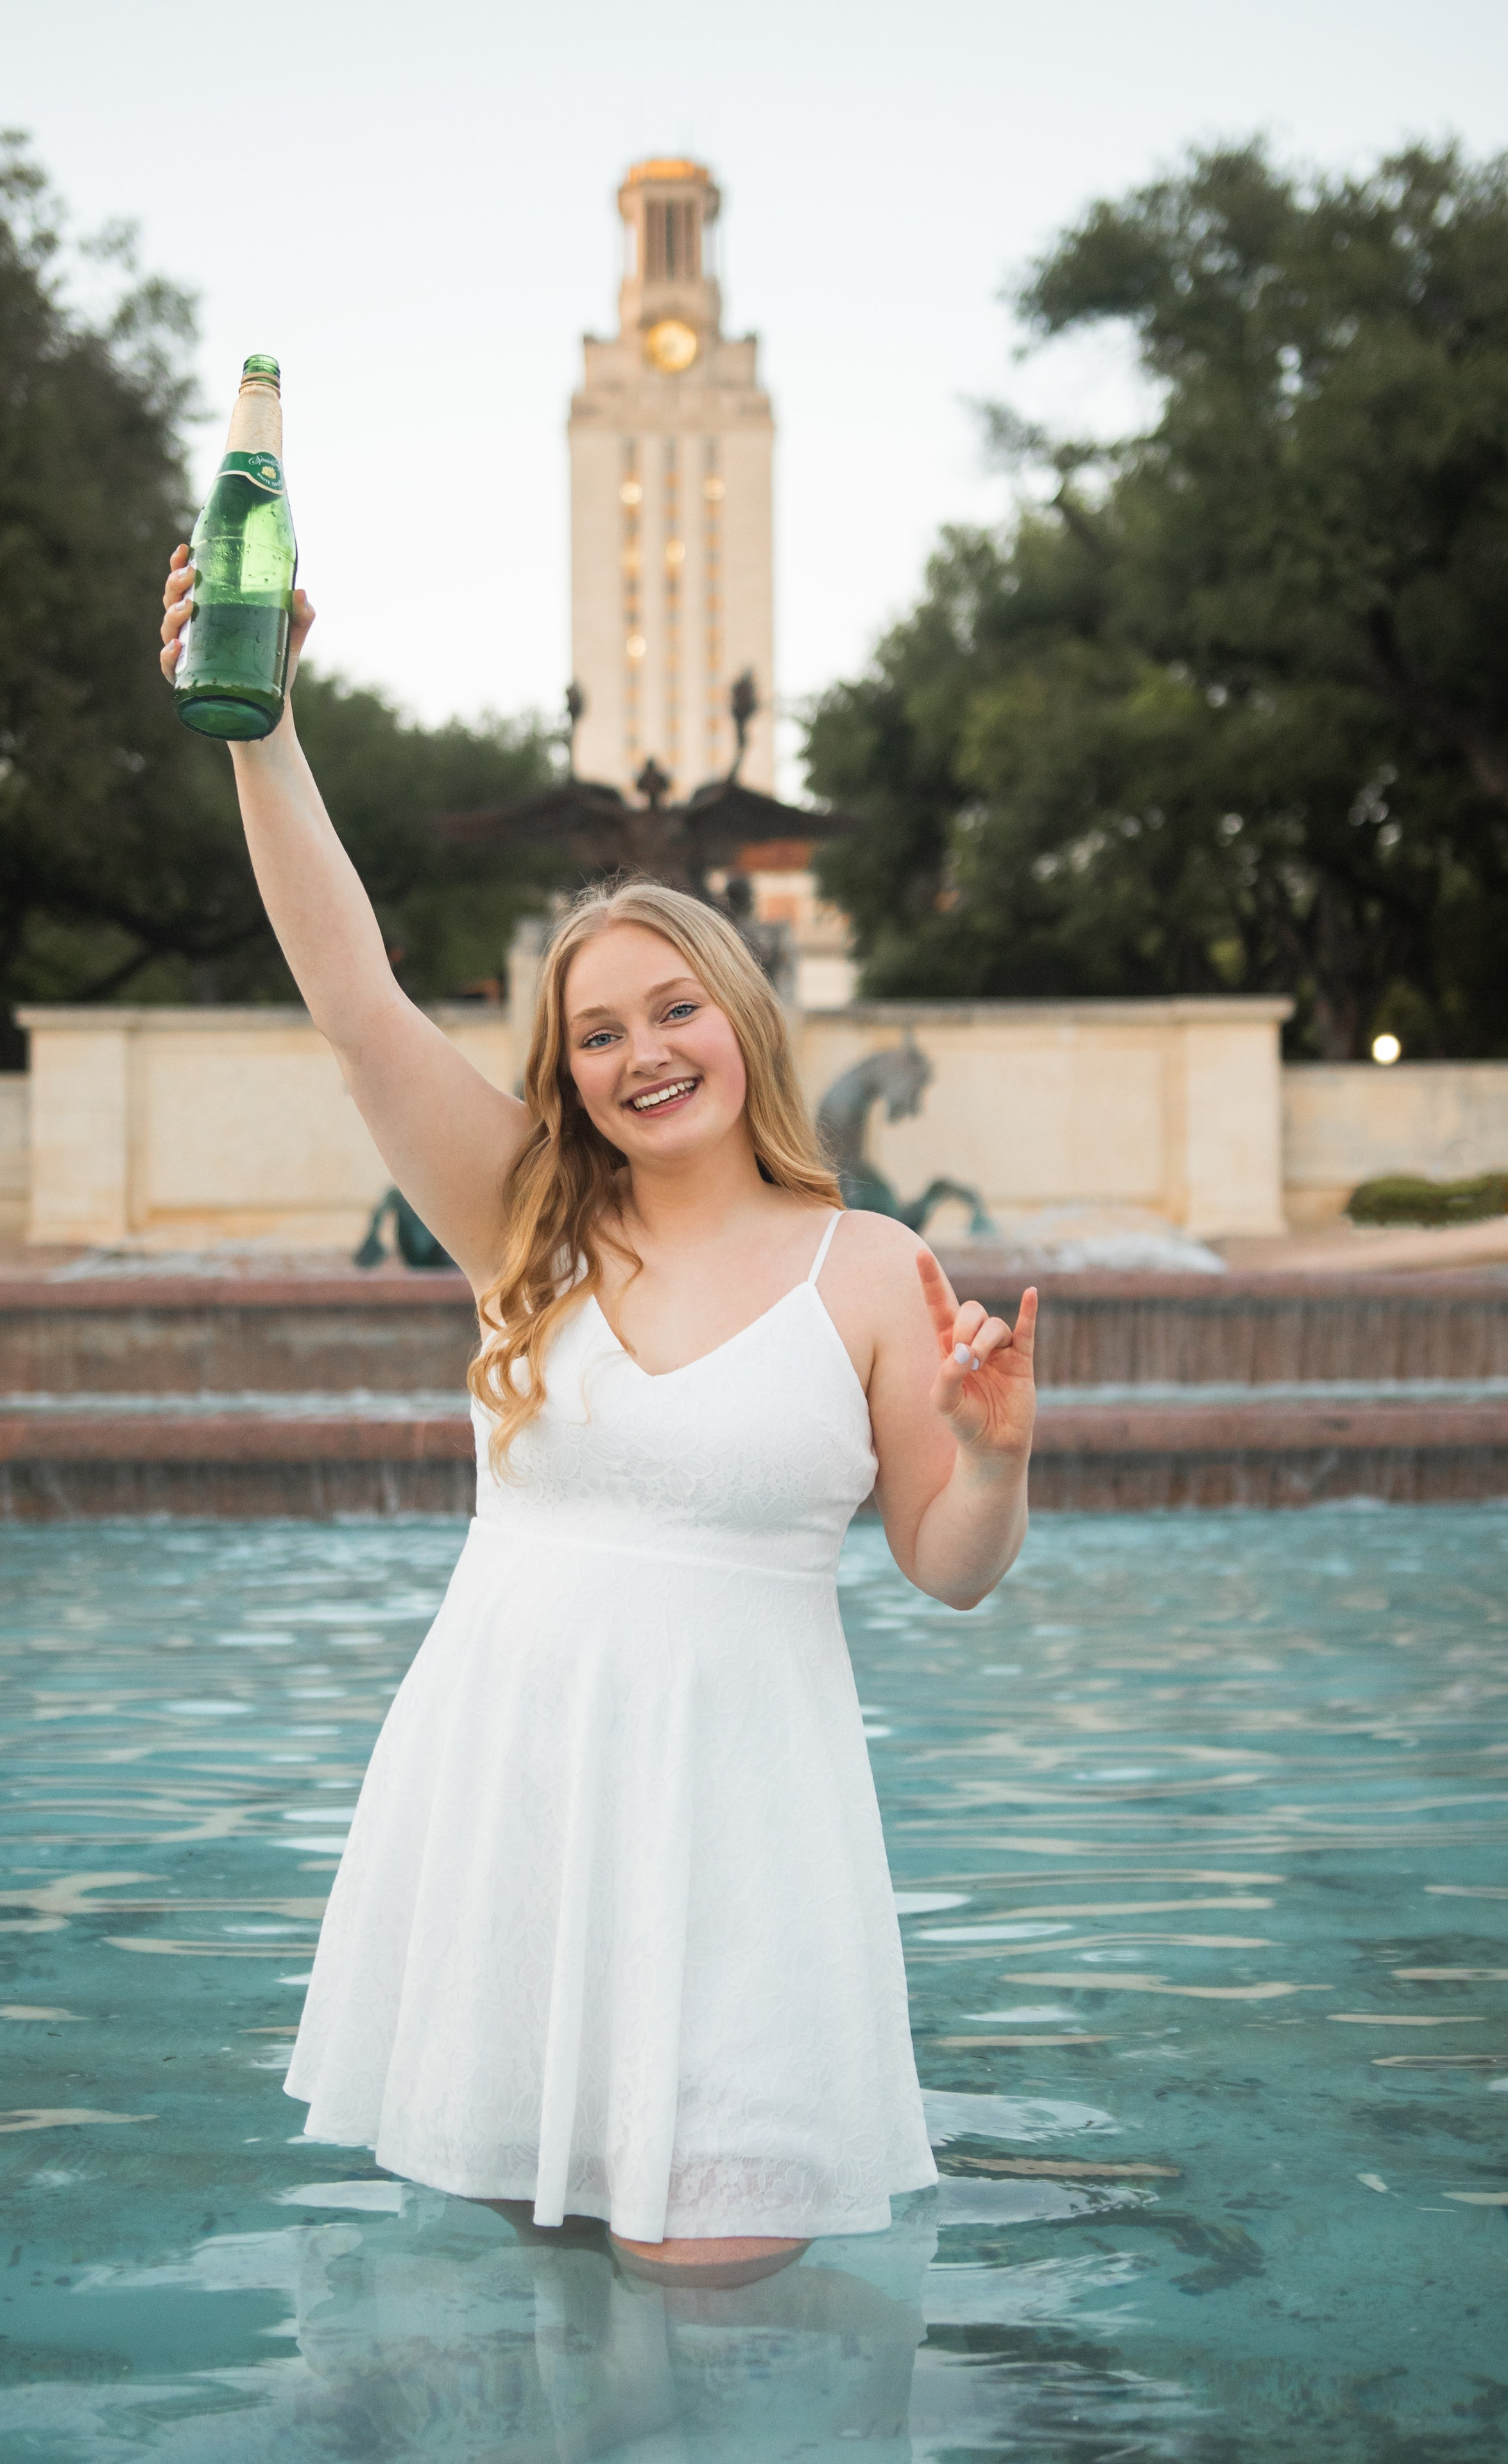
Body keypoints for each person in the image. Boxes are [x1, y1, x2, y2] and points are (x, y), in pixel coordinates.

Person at [159, 549, 1038, 2289]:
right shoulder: (519, 1219)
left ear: (744, 1019)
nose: (643, 1053)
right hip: (513, 1822)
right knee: (543, 2301)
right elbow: (352, 996)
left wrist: (997, 1455)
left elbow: (950, 1572)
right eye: (596, 1033)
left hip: (745, 1856)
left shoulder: (871, 1268)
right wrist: (262, 729)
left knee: (711, 2299)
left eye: (675, 1009)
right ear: (562, 1070)